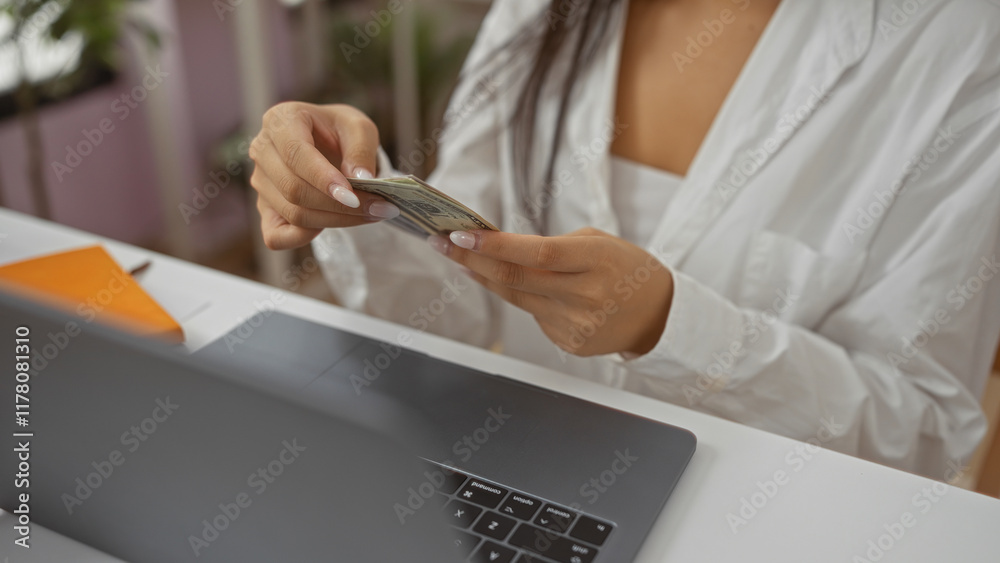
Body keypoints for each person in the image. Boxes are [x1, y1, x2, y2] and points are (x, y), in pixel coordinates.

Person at [248, 0, 1000, 479]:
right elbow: (457, 312)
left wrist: (671, 329)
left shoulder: (965, 48)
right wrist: (358, 195)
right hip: (539, 481)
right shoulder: (543, 13)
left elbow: (927, 433)